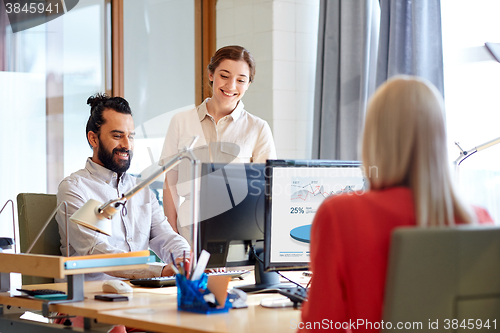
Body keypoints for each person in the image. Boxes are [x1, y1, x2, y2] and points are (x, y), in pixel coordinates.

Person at [299, 76, 493, 332]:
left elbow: (322, 326)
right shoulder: (479, 220)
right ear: (438, 138)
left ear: (373, 139)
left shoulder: (341, 214)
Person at [56, 94, 190, 281]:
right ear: (93, 139)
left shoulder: (141, 190)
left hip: (139, 295)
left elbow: (166, 237)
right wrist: (159, 270)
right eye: (118, 136)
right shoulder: (74, 189)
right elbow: (96, 251)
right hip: (91, 297)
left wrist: (187, 260)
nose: (127, 145)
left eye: (131, 136)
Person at [159, 45, 277, 242]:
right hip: (189, 234)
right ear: (211, 74)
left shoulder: (257, 128)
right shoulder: (181, 121)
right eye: (224, 76)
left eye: (241, 80)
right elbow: (170, 181)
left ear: (248, 84)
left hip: (239, 231)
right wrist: (172, 236)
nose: (231, 86)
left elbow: (265, 189)